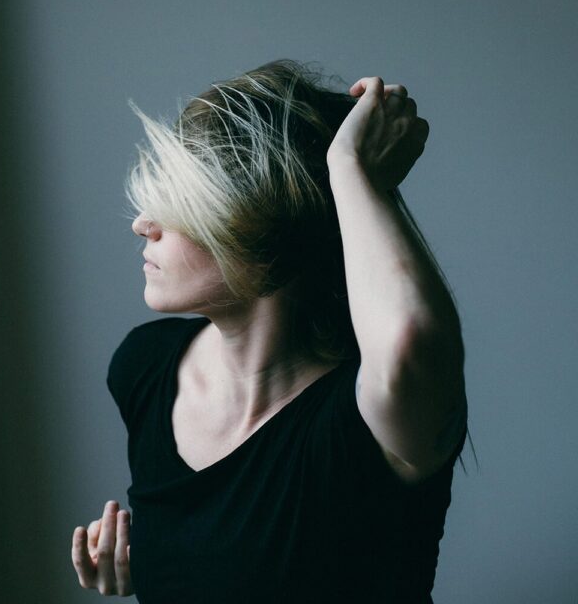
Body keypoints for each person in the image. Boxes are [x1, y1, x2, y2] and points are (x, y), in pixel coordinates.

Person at [72, 60, 467, 602]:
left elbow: (407, 340)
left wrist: (351, 170)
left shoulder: (369, 421)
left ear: (264, 244)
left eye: (180, 205)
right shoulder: (144, 368)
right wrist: (160, 565)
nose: (143, 223)